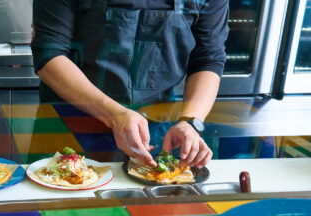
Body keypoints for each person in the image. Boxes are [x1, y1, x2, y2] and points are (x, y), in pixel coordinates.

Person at [31, 0, 229, 168]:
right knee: (60, 212)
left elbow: (208, 59)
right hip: (70, 125)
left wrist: (191, 122)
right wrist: (115, 115)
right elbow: (49, 53)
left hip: (158, 133)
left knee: (152, 211)